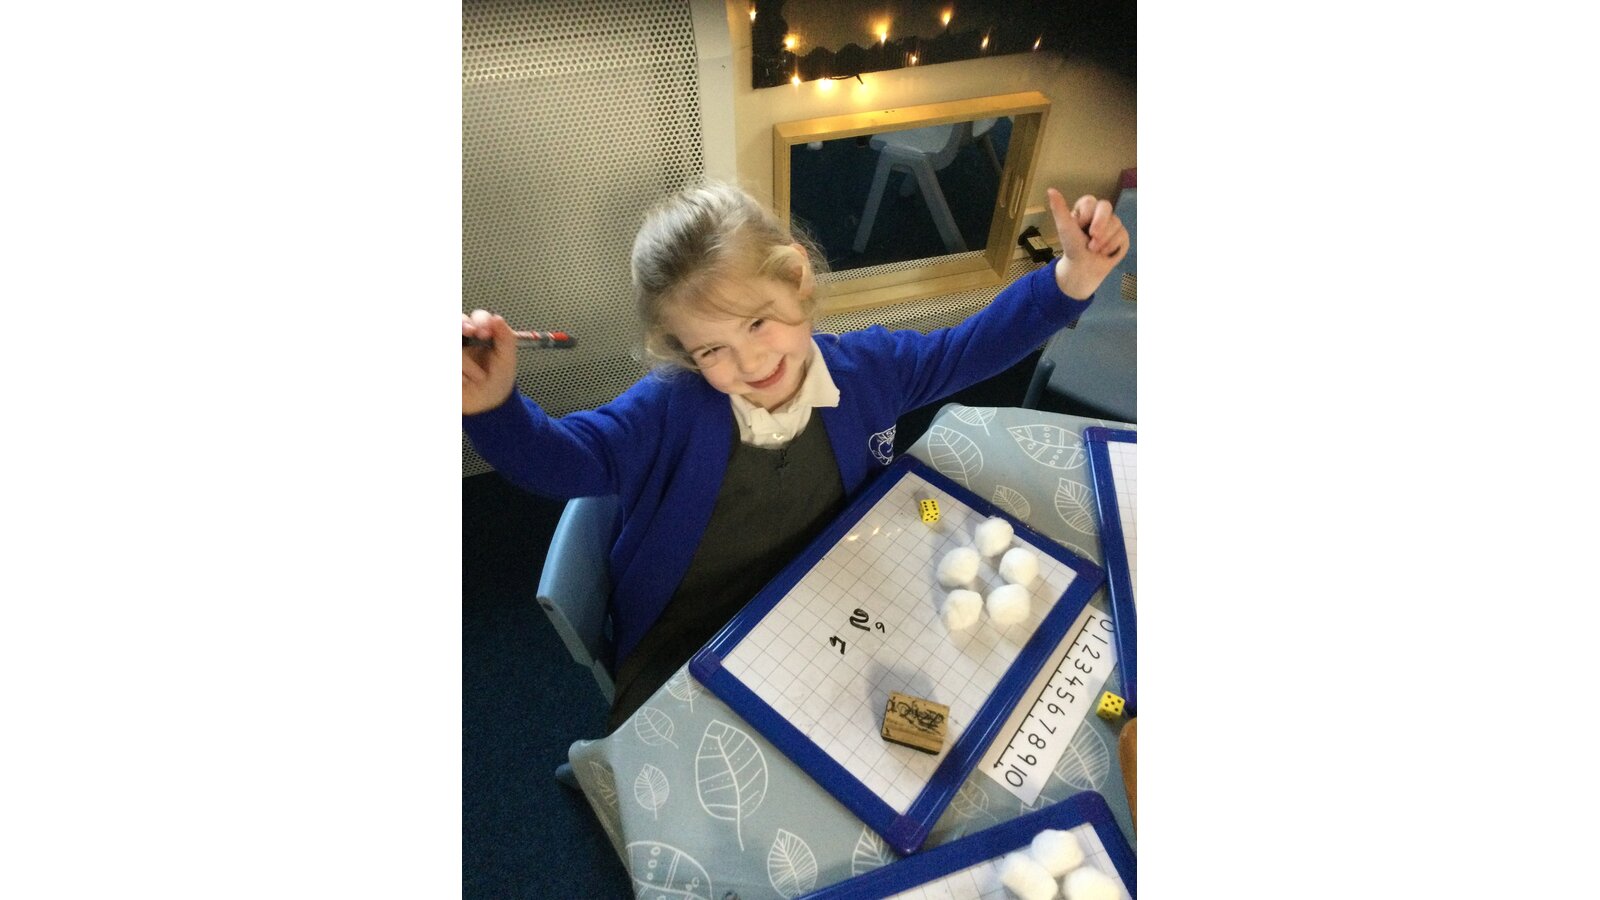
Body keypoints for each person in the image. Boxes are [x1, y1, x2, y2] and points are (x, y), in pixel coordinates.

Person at [462, 181, 1127, 730]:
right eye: (712, 349)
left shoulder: (868, 370)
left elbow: (969, 348)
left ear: (797, 276)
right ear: (683, 352)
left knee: (928, 716)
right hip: (690, 634)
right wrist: (494, 406)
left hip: (826, 588)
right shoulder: (668, 408)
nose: (751, 361)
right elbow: (566, 462)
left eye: (758, 322)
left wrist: (1069, 280)